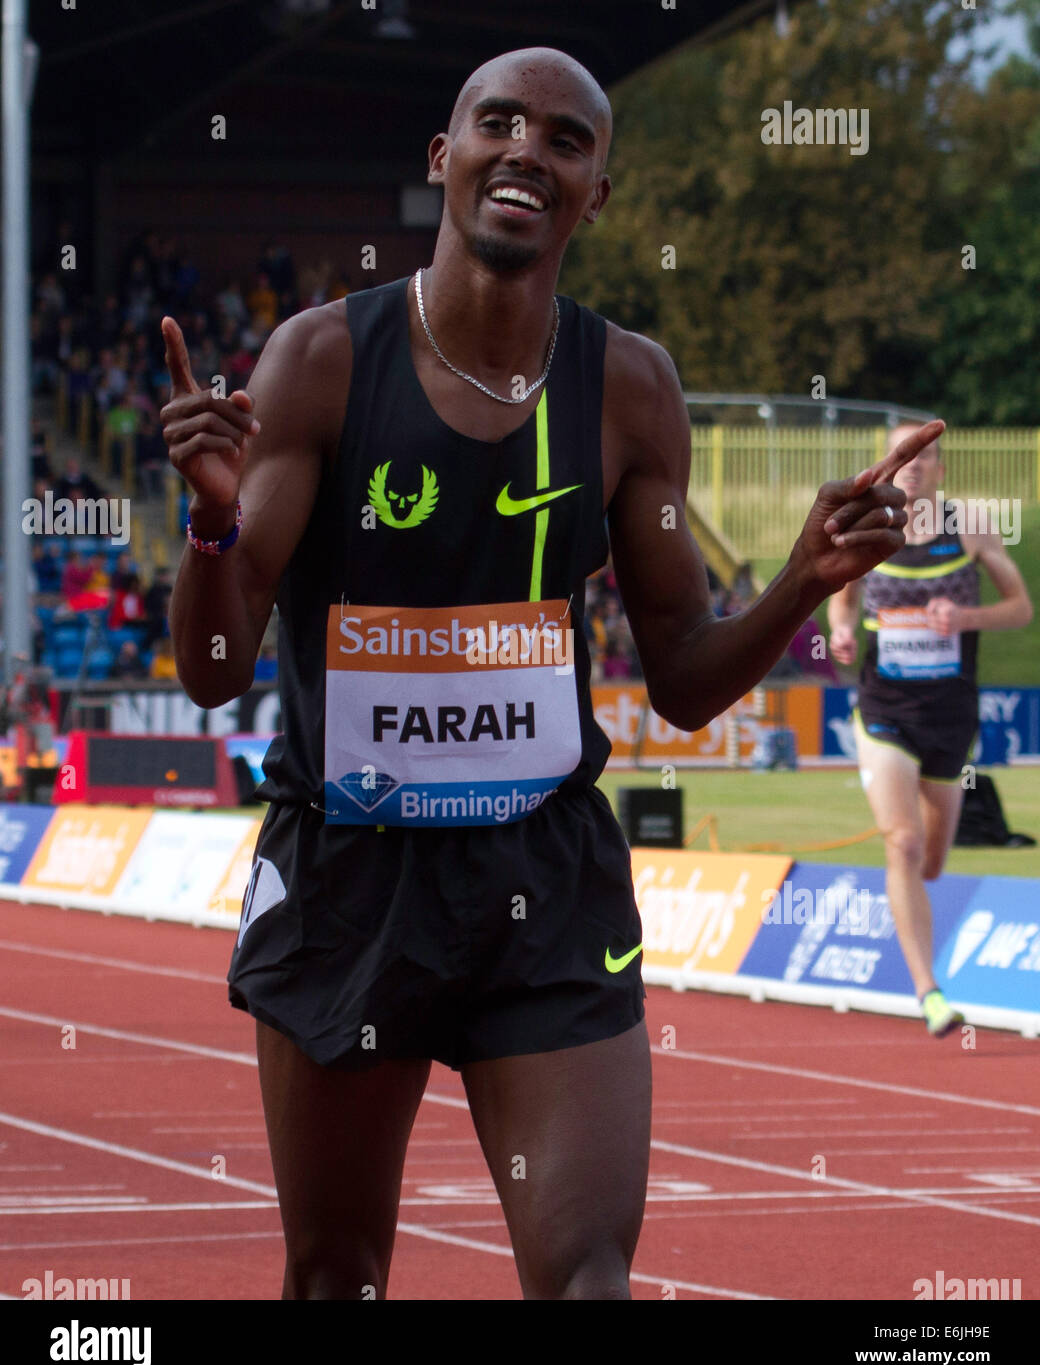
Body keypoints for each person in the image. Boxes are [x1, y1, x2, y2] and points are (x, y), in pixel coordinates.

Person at [162, 47, 943, 1300]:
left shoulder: (629, 389)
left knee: (586, 1276)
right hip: (349, 873)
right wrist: (208, 531)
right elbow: (209, 671)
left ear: (597, 195)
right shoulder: (320, 361)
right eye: (498, 122)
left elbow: (680, 678)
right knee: (335, 1273)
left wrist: (801, 578)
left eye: (565, 139)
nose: (527, 148)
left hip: (545, 878)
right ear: (444, 157)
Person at [828, 424, 1032, 1036]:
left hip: (950, 714)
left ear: (940, 471)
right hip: (884, 708)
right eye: (904, 457)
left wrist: (964, 616)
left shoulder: (969, 524)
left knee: (934, 862)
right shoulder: (870, 527)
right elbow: (842, 596)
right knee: (905, 844)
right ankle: (929, 992)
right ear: (887, 467)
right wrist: (840, 629)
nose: (913, 468)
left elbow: (1021, 609)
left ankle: (919, 927)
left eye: (926, 458)